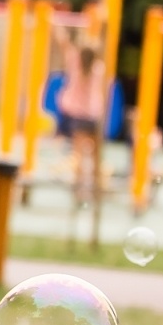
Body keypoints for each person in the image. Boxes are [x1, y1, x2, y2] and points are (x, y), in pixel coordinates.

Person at [56, 29, 107, 204]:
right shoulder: (99, 68)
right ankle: (96, 188)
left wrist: (58, 27)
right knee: (95, 156)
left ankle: (79, 189)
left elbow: (64, 43)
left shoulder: (75, 64)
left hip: (78, 115)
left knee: (78, 154)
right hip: (93, 115)